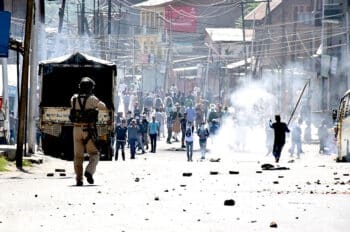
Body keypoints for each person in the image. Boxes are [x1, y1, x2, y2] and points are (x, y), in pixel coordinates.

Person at [70, 77, 107, 186]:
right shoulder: (92, 99)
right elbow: (103, 107)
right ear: (90, 88)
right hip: (89, 130)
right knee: (94, 153)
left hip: (76, 129)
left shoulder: (74, 98)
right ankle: (89, 171)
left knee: (78, 156)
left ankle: (79, 179)